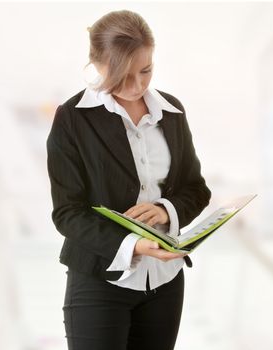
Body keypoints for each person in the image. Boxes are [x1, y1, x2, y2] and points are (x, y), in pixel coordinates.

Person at [46, 9, 211, 350]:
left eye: (146, 70)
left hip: (164, 281)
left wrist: (165, 210)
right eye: (122, 75)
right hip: (98, 279)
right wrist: (133, 245)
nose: (137, 86)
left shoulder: (172, 112)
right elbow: (68, 213)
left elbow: (196, 188)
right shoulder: (72, 119)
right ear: (97, 64)